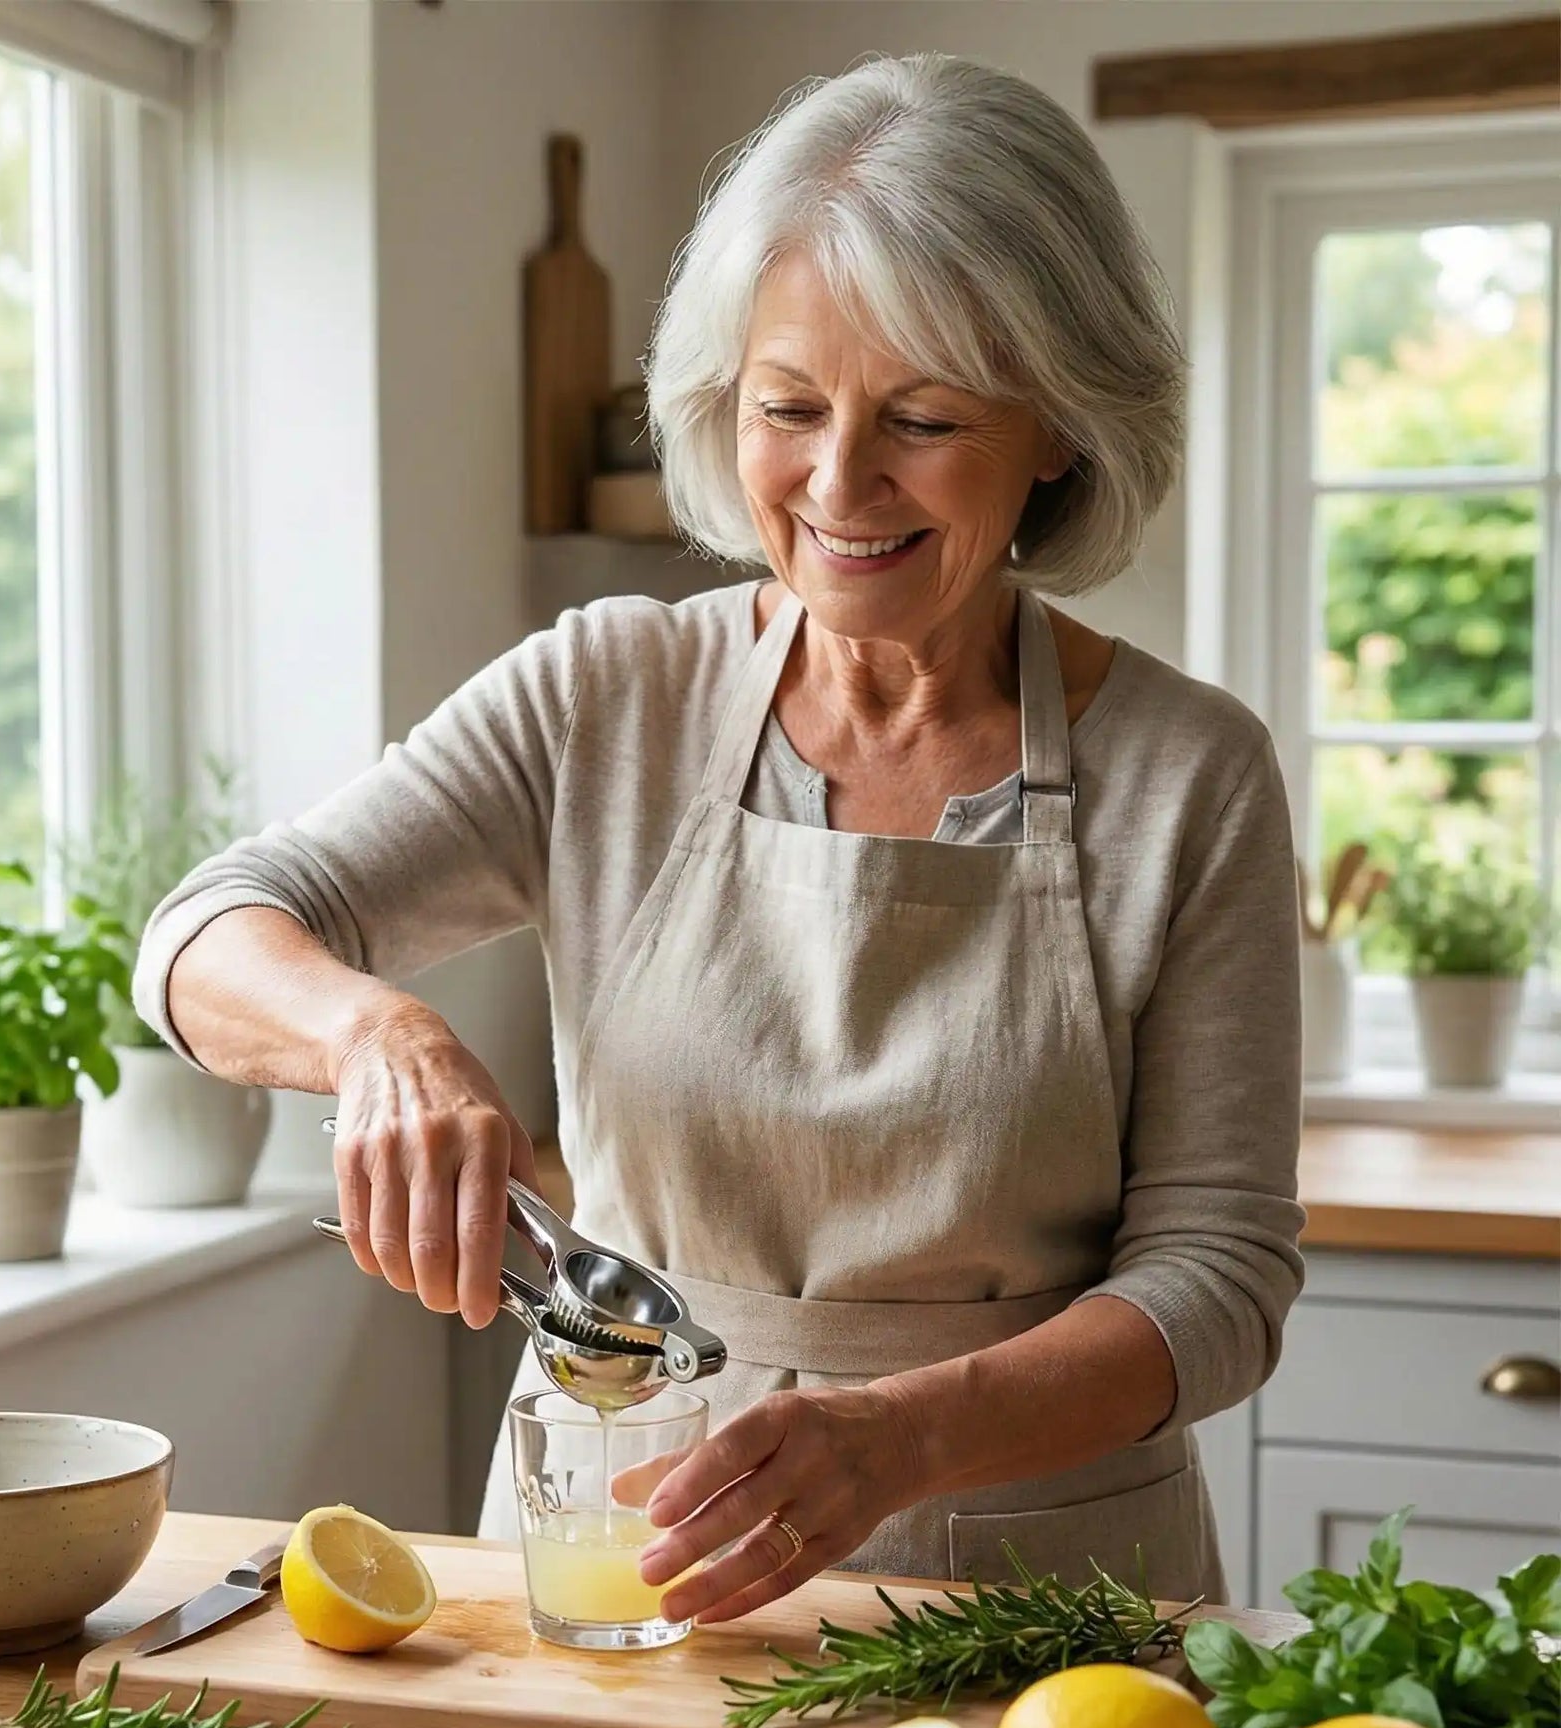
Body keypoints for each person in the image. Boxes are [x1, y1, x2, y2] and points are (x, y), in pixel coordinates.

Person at [134, 53, 1304, 1622]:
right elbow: (206, 931)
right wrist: (375, 1035)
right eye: (788, 407)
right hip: (626, 1546)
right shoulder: (602, 694)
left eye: (924, 418)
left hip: (1047, 1596)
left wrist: (900, 1435)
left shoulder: (1191, 773)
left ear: (1056, 428)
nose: (837, 482)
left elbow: (1217, 1285)